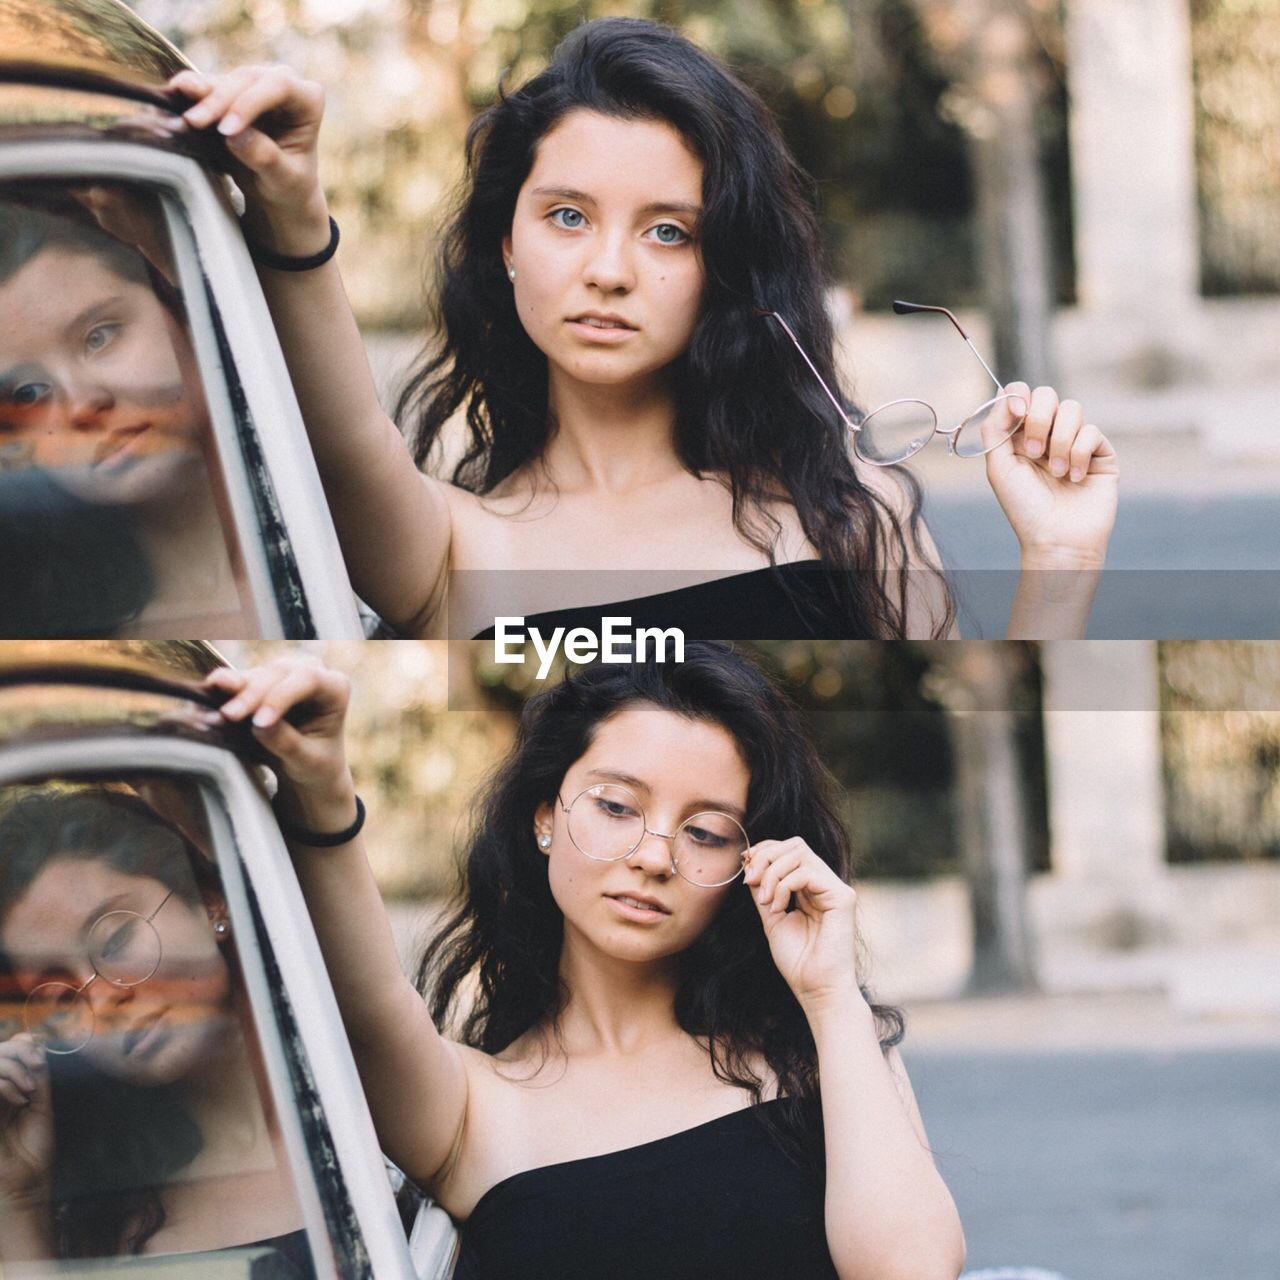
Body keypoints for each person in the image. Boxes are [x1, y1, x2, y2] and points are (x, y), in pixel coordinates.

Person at [168, 17, 1118, 642]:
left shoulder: (854, 516)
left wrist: (1064, 559)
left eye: (669, 231)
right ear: (507, 242)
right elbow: (344, 442)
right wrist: (293, 210)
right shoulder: (457, 549)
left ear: (722, 268)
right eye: (568, 216)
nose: (609, 270)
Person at [206, 645, 967, 1279]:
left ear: (748, 861)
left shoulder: (816, 1050)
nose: (654, 857)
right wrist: (321, 791)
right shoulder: (473, 1106)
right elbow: (365, 996)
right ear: (545, 818)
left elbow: (915, 1272)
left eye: (706, 832)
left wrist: (832, 996)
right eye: (616, 807)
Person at [0, 789, 312, 1274]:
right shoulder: (100, 1225)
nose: (100, 1000)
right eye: (60, 997)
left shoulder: (366, 1096)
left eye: (116, 938)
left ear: (209, 904)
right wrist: (19, 1200)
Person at [0, 193, 251, 637]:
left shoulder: (349, 539)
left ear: (180, 307)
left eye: (100, 335)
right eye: (30, 392)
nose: (80, 403)